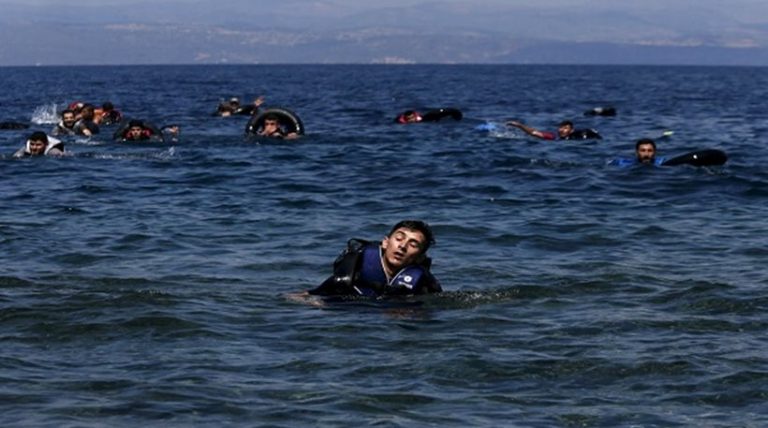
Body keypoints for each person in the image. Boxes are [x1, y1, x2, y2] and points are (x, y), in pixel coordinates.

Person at [300, 220, 442, 299]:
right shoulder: (357, 266)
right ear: (385, 243)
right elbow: (314, 294)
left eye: (413, 244)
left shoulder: (424, 283)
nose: (403, 246)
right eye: (399, 238)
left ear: (420, 257)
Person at [506, 120, 601, 140]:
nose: (562, 130)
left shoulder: (580, 134)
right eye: (560, 128)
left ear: (571, 130)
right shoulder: (554, 137)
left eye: (565, 128)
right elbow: (534, 132)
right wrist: (519, 125)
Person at [115, 119, 179, 143]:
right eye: (133, 130)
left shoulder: (149, 135)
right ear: (130, 131)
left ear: (142, 130)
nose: (135, 132)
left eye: (138, 130)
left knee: (161, 131)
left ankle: (170, 129)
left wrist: (174, 136)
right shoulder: (125, 137)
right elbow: (116, 137)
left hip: (154, 130)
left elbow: (160, 136)